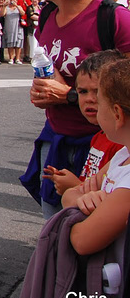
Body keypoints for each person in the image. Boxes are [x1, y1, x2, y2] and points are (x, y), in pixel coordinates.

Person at [20, 0, 130, 219]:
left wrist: (68, 96)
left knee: (90, 223)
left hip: (102, 145)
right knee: (53, 220)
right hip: (56, 137)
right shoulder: (47, 15)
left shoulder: (114, 18)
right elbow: (51, 71)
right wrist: (43, 92)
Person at [57, 58, 130, 258]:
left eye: (101, 100)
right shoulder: (123, 155)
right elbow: (70, 195)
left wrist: (88, 207)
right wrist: (84, 200)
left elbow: (82, 241)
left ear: (117, 114)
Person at [43, 50, 124, 199]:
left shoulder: (121, 146)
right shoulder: (98, 138)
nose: (90, 99)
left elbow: (108, 197)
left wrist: (74, 187)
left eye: (97, 92)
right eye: (82, 91)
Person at [2, 0, 25, 64]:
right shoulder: (6, 8)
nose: (12, 1)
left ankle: (17, 58)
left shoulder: (19, 7)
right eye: (11, 0)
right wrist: (4, 6)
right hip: (9, 27)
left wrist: (17, 6)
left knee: (18, 42)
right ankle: (11, 58)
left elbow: (23, 13)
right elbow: (3, 14)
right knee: (10, 42)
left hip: (17, 26)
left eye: (14, 0)